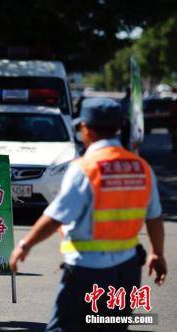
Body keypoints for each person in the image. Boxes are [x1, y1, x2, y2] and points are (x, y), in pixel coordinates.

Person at [9, 98, 167, 331]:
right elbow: (154, 217)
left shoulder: (85, 168)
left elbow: (55, 217)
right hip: (128, 271)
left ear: (85, 128)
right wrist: (158, 253)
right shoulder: (141, 167)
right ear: (118, 127)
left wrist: (24, 245)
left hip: (87, 273)